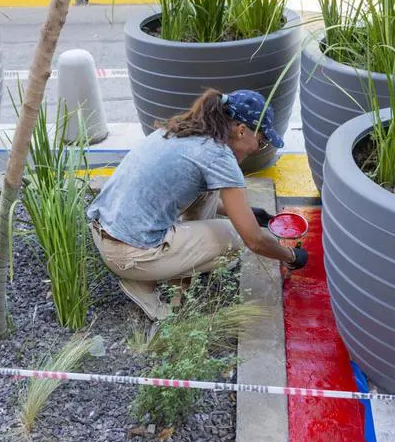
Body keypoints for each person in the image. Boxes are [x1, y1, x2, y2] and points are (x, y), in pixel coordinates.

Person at [87, 89, 309, 321]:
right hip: (128, 254)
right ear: (241, 130)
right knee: (235, 240)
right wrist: (291, 255)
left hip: (106, 230)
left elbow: (196, 195)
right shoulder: (219, 157)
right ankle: (146, 285)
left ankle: (166, 265)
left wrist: (251, 214)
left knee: (208, 193)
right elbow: (255, 241)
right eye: (261, 142)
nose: (258, 149)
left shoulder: (186, 131)